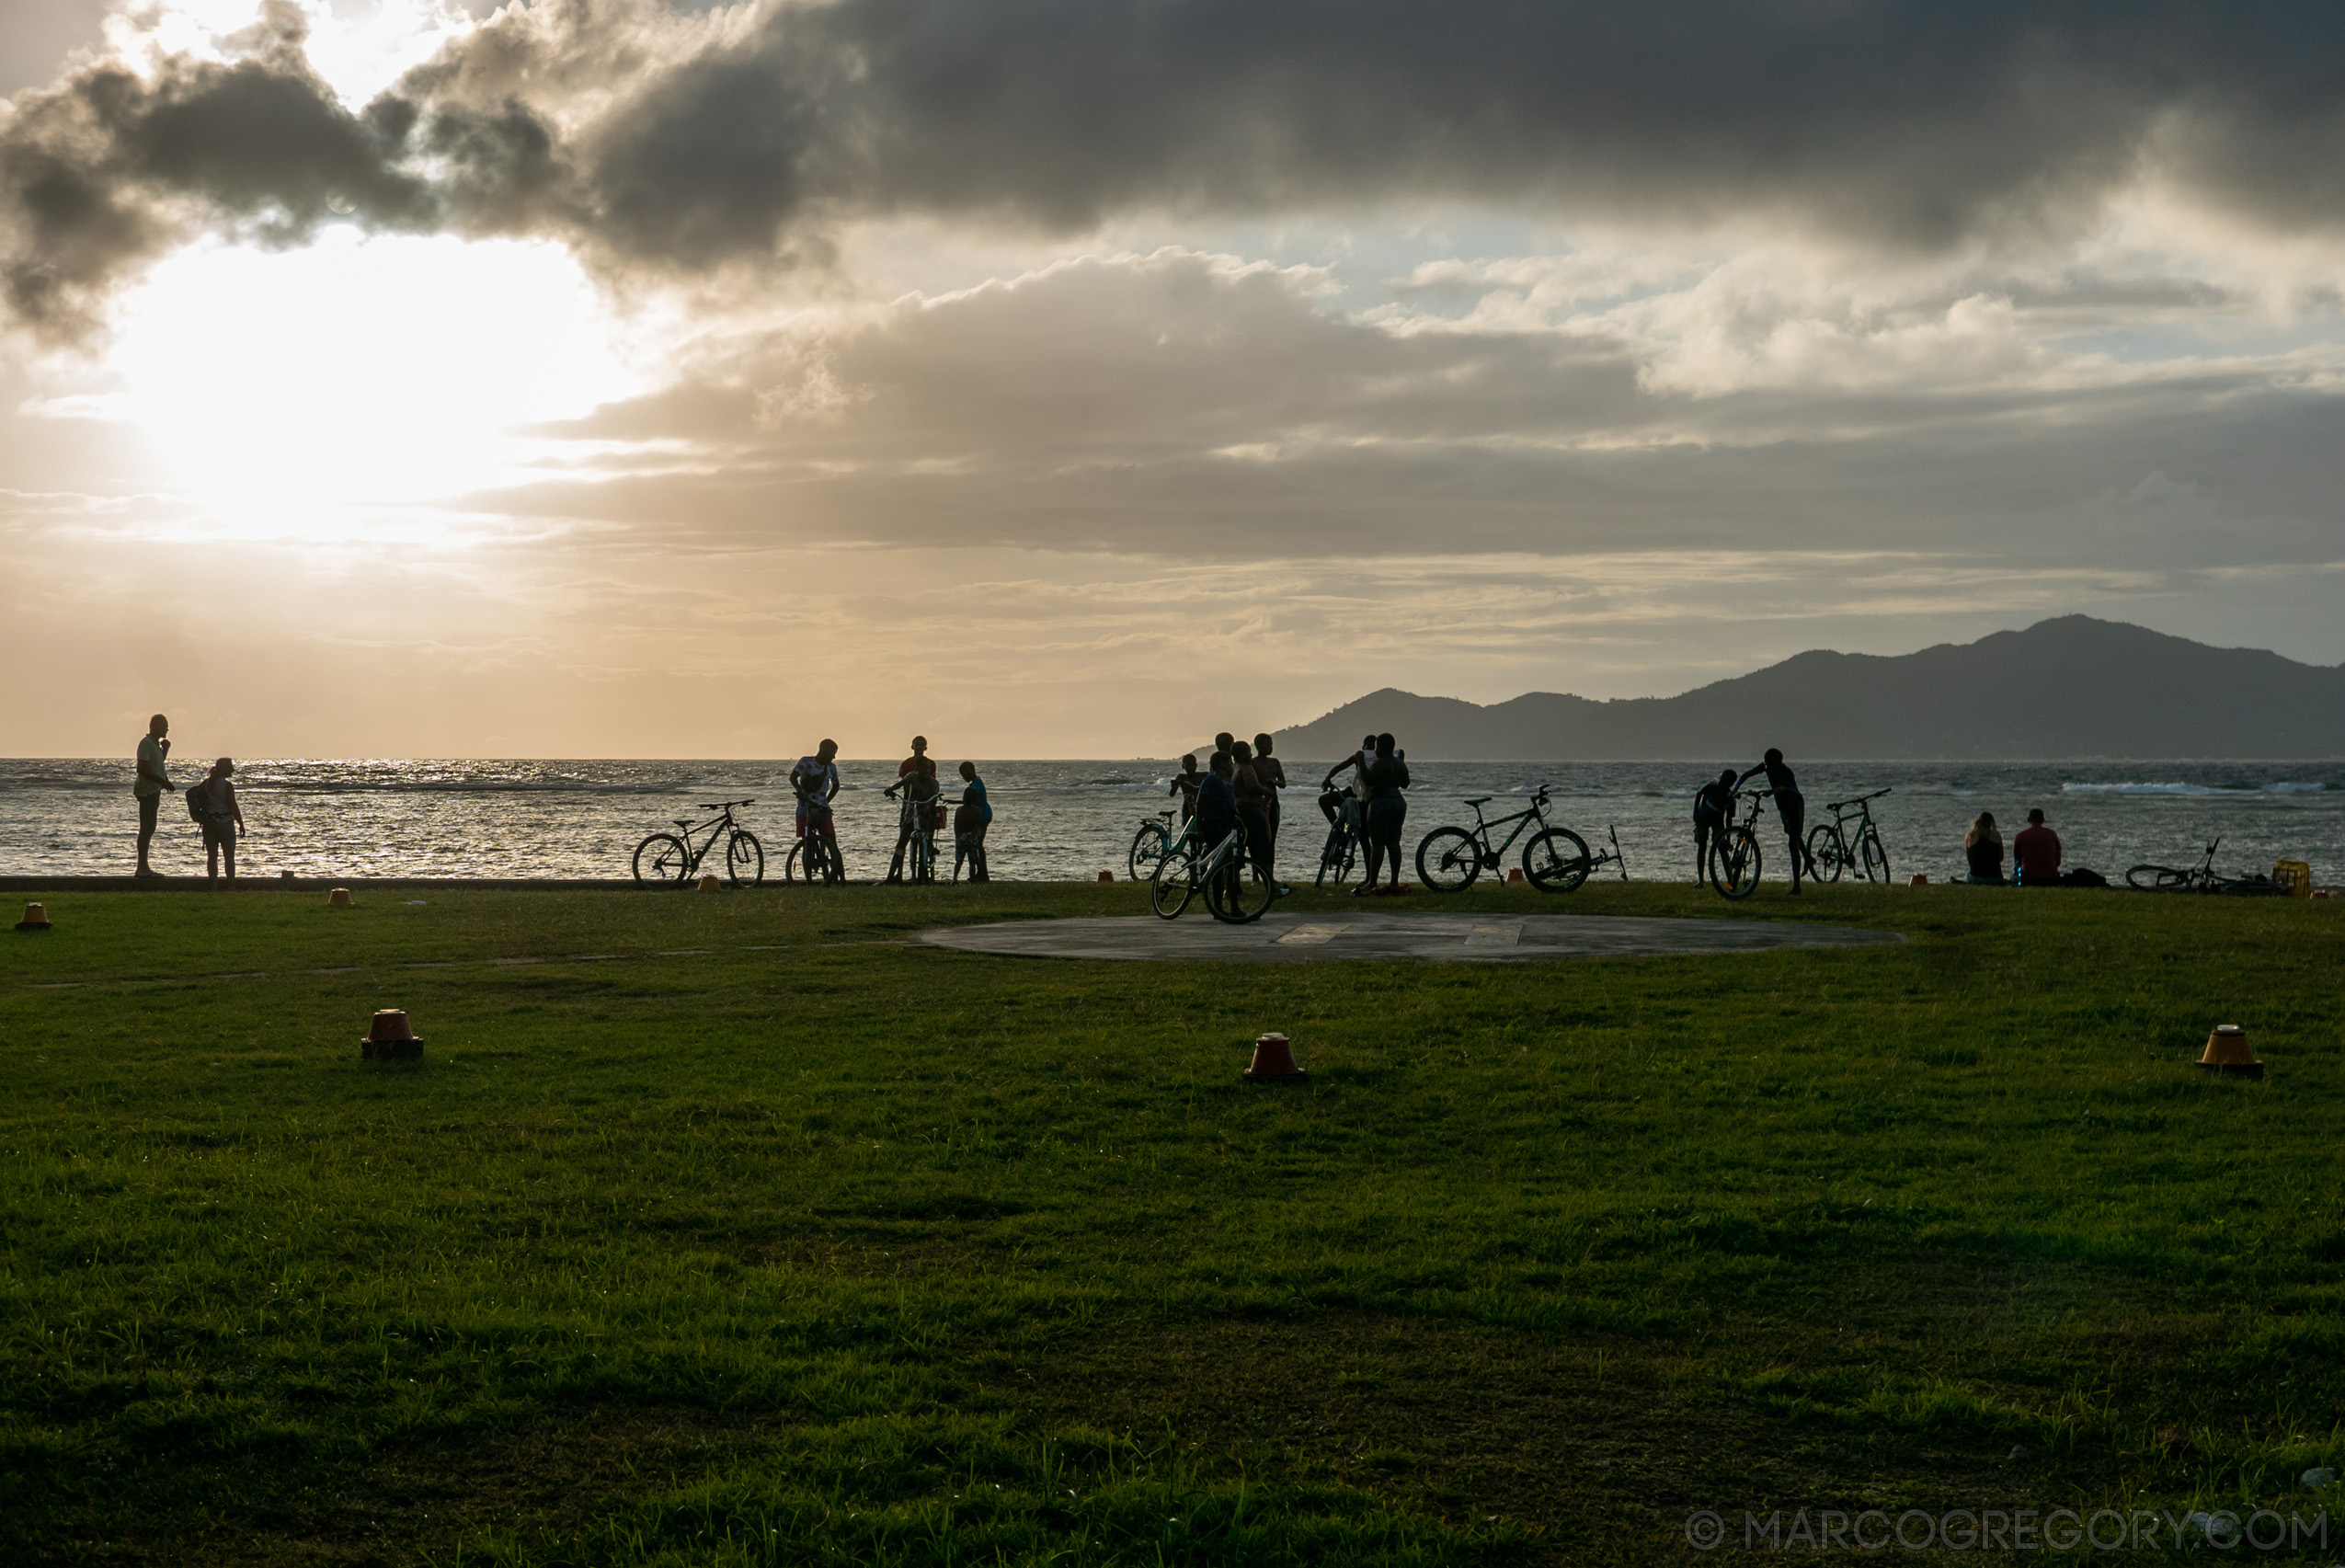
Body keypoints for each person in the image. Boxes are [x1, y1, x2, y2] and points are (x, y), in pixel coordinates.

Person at [1737, 748, 1814, 891]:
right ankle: (1808, 859)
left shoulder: (1787, 772)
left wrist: (1779, 789)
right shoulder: (1765, 767)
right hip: (1783, 808)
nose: (1767, 768)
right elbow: (1745, 775)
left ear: (1778, 763)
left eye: (1770, 765)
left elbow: (1794, 791)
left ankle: (1797, 886)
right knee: (1793, 835)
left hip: (1794, 806)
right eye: (1766, 764)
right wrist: (1735, 789)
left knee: (1792, 843)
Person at [1356, 733, 1410, 894]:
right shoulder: (1400, 764)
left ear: (1383, 747)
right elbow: (1406, 784)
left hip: (1381, 802)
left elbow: (1368, 780)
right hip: (1398, 802)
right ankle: (1394, 882)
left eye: (1377, 746)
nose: (1375, 750)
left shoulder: (1381, 764)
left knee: (1378, 844)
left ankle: (1372, 882)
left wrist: (1360, 760)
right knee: (1394, 843)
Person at [886, 736, 942, 883]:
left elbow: (933, 797)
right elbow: (902, 784)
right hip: (910, 805)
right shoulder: (907, 767)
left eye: (922, 745)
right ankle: (894, 876)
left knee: (930, 826)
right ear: (912, 746)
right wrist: (891, 790)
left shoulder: (933, 773)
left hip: (925, 809)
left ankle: (929, 848)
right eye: (917, 745)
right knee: (902, 840)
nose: (919, 747)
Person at [790, 739, 842, 876]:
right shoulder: (806, 762)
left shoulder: (831, 767)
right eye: (832, 753)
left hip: (822, 810)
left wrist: (826, 801)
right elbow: (793, 777)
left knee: (831, 843)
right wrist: (799, 790)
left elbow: (836, 786)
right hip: (804, 808)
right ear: (823, 751)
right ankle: (809, 880)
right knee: (806, 843)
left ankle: (839, 877)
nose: (834, 757)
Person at [1230, 739, 1276, 892]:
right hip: (1251, 811)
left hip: (1240, 810)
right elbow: (1252, 786)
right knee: (1261, 849)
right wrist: (1268, 791)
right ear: (1242, 754)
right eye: (1248, 752)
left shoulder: (1234, 768)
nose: (1251, 754)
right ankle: (1271, 887)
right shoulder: (1246, 768)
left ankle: (1234, 885)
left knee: (1240, 849)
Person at [196, 757, 245, 887]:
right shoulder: (227, 785)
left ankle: (213, 885)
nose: (233, 770)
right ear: (224, 769)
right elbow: (232, 805)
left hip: (209, 823)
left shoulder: (206, 783)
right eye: (230, 767)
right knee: (229, 857)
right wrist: (241, 823)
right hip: (225, 823)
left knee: (212, 857)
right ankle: (231, 885)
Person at [134, 713, 172, 877]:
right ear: (155, 726)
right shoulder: (147, 743)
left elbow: (157, 765)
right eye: (164, 725)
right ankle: (142, 868)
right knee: (146, 828)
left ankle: (144, 867)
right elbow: (142, 768)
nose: (167, 729)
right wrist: (163, 782)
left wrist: (165, 751)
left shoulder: (155, 745)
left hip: (154, 790)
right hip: (147, 791)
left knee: (150, 828)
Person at [1253, 733, 1289, 890]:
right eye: (1268, 744)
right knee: (1257, 840)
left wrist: (1273, 782)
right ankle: (1256, 874)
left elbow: (1283, 783)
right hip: (1258, 805)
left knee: (1271, 839)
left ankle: (1269, 873)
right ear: (1259, 746)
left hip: (1273, 805)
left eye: (1271, 744)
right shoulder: (1252, 763)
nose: (1271, 747)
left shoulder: (1274, 762)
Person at [1692, 768, 1737, 879]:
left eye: (1725, 780)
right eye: (1721, 778)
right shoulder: (1711, 786)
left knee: (1722, 849)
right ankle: (1701, 880)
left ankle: (1730, 879)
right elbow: (1699, 794)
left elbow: (1729, 819)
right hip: (1702, 819)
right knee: (1702, 846)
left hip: (1718, 822)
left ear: (1730, 783)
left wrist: (1728, 838)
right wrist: (1695, 814)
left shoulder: (1730, 799)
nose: (1721, 781)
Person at [953, 760, 991, 882]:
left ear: (969, 772)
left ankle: (982, 873)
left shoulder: (976, 784)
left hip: (982, 816)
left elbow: (969, 800)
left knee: (978, 844)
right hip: (979, 816)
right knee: (977, 844)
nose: (963, 778)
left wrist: (955, 802)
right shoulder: (974, 784)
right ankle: (980, 872)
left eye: (963, 775)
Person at [1196, 750, 1239, 857]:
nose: (1233, 766)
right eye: (1230, 763)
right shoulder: (1212, 779)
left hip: (1226, 825)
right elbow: (1201, 803)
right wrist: (1199, 828)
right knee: (1222, 856)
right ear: (1222, 764)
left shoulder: (1228, 783)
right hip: (1214, 826)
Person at [2012, 808, 2062, 887]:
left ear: (2028, 819)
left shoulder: (2020, 836)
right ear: (2043, 820)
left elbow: (2017, 861)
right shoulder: (2052, 835)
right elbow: (2058, 861)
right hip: (2050, 877)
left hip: (2028, 877)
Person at [1964, 811, 2006, 884]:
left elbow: (1969, 858)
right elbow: (2001, 857)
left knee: (1966, 877)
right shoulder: (1996, 836)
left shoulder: (1970, 837)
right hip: (1995, 877)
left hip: (1976, 877)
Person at [1168, 755, 1203, 837]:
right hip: (1188, 807)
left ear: (1196, 765)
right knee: (1188, 831)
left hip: (1200, 807)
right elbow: (1172, 794)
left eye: (1193, 765)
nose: (1191, 768)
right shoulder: (1181, 777)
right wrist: (1174, 786)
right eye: (1188, 765)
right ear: (1183, 766)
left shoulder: (1202, 776)